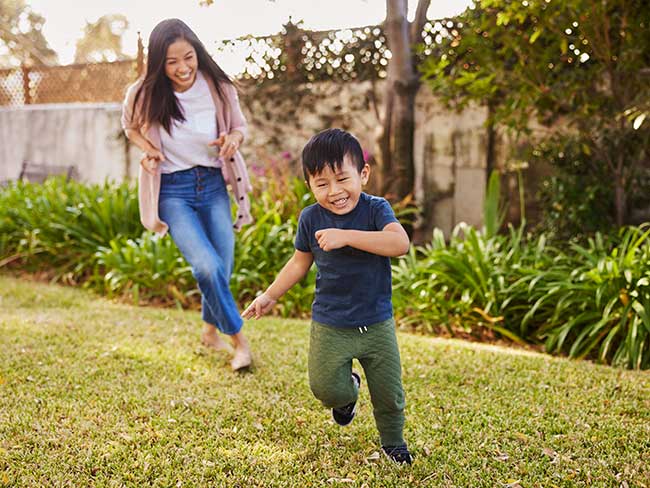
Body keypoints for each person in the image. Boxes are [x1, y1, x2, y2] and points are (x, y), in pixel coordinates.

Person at [242, 128, 413, 464]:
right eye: (322, 183)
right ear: (309, 185)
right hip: (331, 323)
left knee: (389, 393)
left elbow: (399, 244)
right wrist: (269, 295)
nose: (334, 192)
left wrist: (347, 236)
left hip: (377, 323)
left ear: (363, 174)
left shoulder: (376, 210)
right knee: (325, 389)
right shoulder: (310, 218)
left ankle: (393, 443)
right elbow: (298, 263)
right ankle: (348, 392)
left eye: (342, 179)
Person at [121, 18, 252, 371]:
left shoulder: (220, 88)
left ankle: (209, 331)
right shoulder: (145, 93)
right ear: (159, 63)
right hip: (173, 191)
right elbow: (129, 127)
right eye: (171, 61)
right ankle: (240, 343)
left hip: (212, 185)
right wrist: (148, 149)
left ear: (198, 53)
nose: (182, 68)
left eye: (188, 57)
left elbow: (239, 128)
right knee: (206, 266)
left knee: (221, 268)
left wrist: (232, 140)